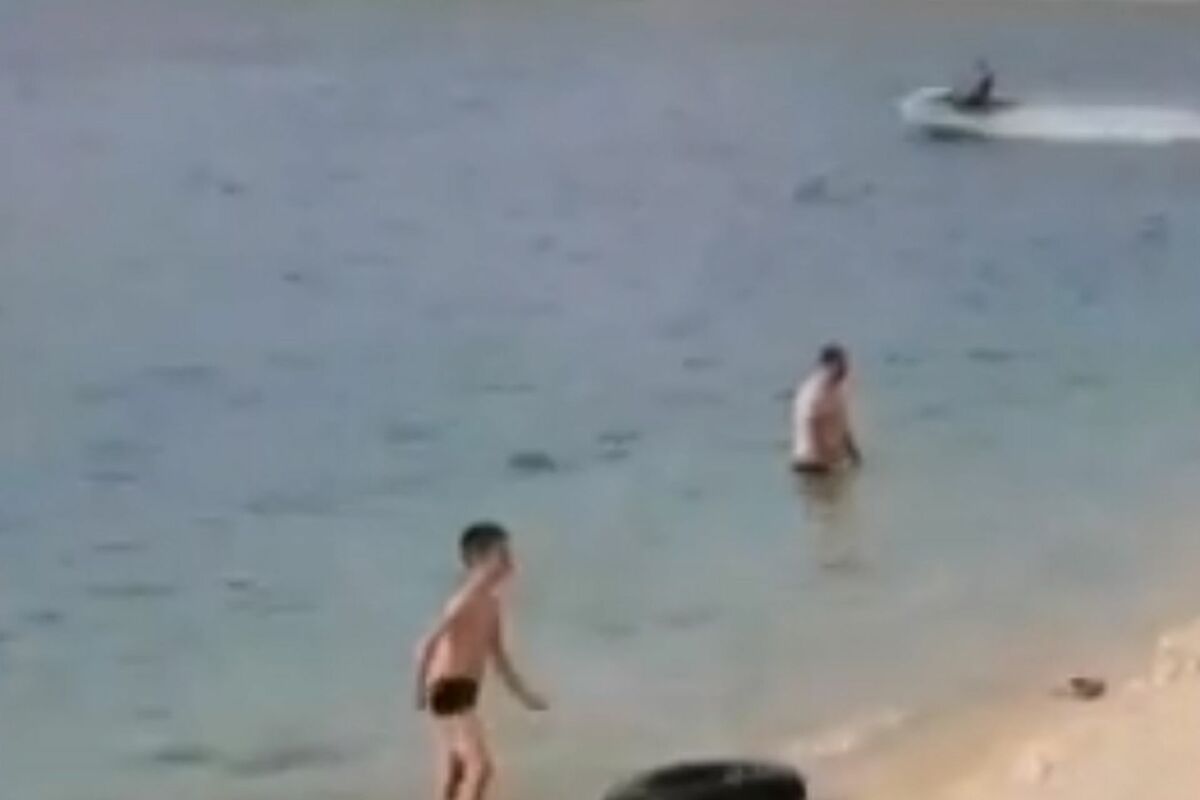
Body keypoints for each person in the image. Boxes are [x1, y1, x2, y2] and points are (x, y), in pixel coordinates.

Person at [414, 522, 548, 800]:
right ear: (479, 560)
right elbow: (428, 643)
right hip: (447, 687)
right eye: (503, 555)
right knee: (481, 767)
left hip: (464, 689)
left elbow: (499, 658)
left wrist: (526, 696)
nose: (510, 562)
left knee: (456, 769)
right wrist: (419, 690)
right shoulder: (464, 600)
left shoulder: (491, 604)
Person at [790, 343, 862, 475]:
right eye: (841, 365)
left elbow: (843, 421)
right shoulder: (813, 391)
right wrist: (823, 461)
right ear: (827, 367)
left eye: (845, 364)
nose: (845, 369)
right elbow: (810, 422)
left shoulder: (836, 387)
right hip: (813, 465)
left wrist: (853, 453)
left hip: (827, 465)